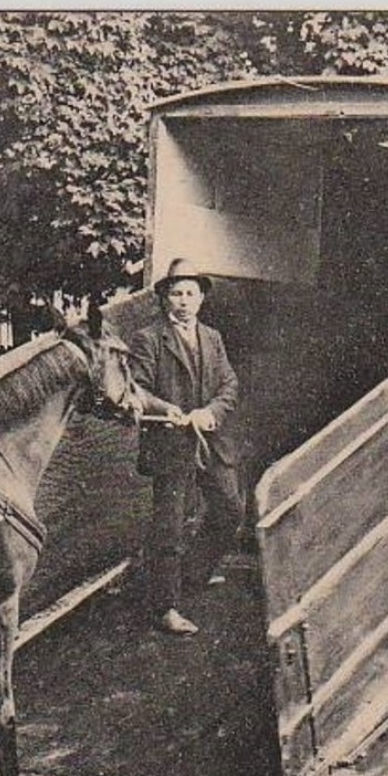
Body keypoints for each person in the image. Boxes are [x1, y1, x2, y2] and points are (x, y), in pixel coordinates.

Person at [127, 258, 246, 636]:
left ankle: (193, 575)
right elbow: (137, 390)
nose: (183, 300)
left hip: (209, 442)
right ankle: (166, 606)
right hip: (169, 444)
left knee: (229, 509)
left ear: (201, 298)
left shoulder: (212, 337)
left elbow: (229, 385)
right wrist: (168, 409)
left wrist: (210, 413)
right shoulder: (149, 339)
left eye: (190, 293)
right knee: (170, 527)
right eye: (176, 293)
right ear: (164, 299)